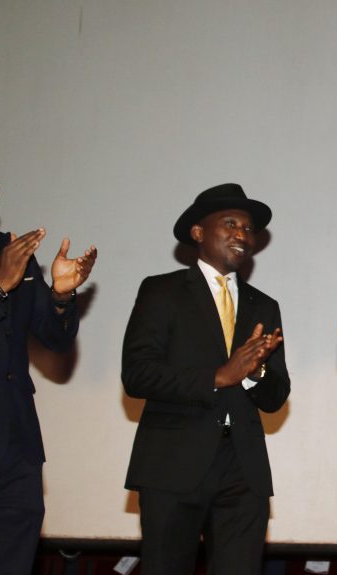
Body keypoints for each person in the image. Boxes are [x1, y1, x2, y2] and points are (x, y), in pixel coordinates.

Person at [122, 183, 290, 574]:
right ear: (198, 232)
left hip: (242, 469)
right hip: (172, 462)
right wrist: (217, 377)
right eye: (230, 223)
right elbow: (137, 374)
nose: (242, 234)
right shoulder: (161, 291)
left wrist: (255, 373)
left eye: (248, 228)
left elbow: (276, 396)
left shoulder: (264, 305)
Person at [0, 131, 97, 572]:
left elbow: (54, 338)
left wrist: (61, 295)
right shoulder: (8, 264)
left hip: (15, 448)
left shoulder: (11, 249)